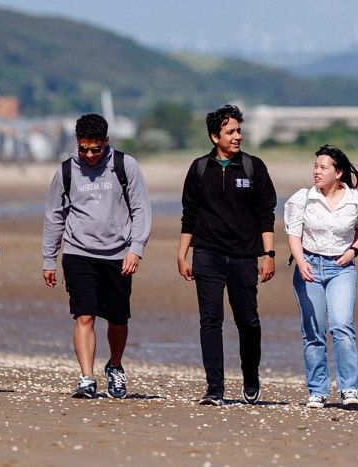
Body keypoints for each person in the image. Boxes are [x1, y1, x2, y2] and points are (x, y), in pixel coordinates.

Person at [42, 113, 151, 399]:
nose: (90, 155)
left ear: (106, 141)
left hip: (118, 255)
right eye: (84, 149)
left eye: (96, 149)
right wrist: (49, 259)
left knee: (118, 319)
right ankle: (86, 378)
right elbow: (54, 217)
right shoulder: (66, 171)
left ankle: (115, 366)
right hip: (78, 253)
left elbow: (140, 209)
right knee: (84, 316)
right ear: (77, 143)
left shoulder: (125, 166)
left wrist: (136, 249)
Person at [176, 104, 278, 406]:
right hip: (207, 253)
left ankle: (250, 375)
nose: (237, 137)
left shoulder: (253, 167)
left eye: (239, 131)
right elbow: (189, 214)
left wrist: (269, 254)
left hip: (244, 255)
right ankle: (214, 388)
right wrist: (182, 254)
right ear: (214, 136)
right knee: (210, 321)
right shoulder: (199, 168)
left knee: (248, 320)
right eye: (230, 132)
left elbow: (266, 214)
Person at [283, 145, 358, 409]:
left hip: (341, 268)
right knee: (313, 330)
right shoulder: (303, 198)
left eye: (323, 167)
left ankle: (349, 389)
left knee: (342, 325)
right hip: (309, 265)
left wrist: (354, 250)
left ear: (338, 172)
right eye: (315, 166)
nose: (317, 172)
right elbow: (293, 234)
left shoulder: (354, 199)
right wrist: (301, 262)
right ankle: (317, 390)